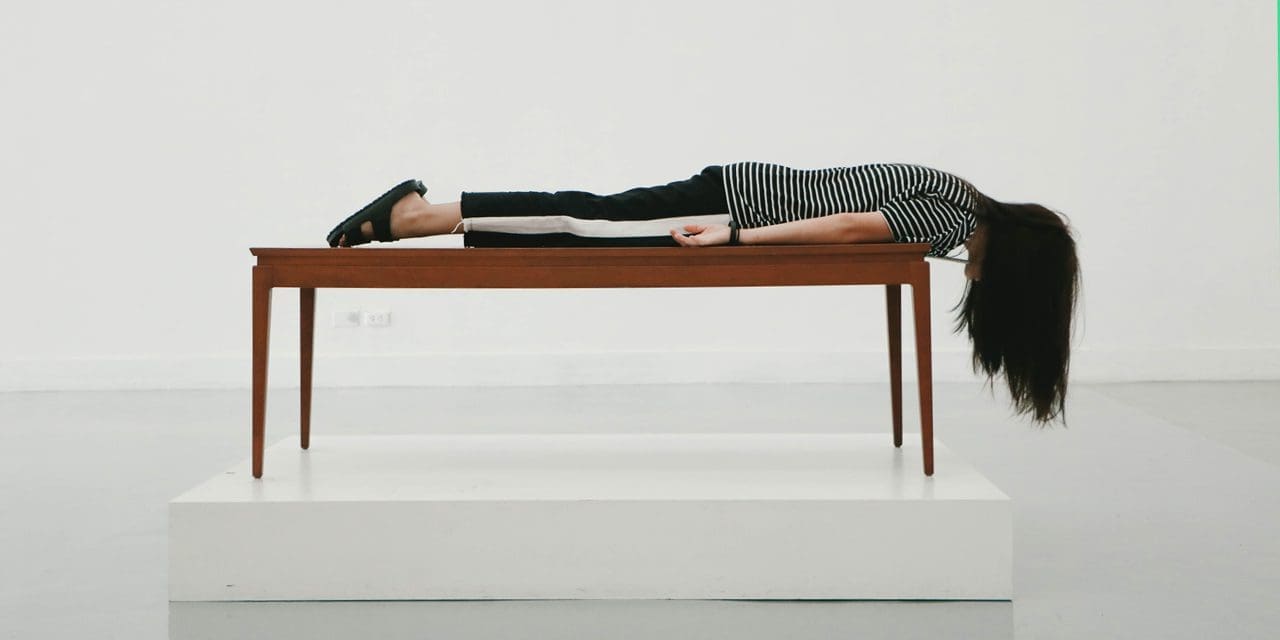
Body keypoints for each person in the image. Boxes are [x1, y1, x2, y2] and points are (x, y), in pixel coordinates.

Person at [325, 161, 1081, 427]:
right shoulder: (953, 215)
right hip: (736, 209)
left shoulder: (960, 201)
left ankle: (422, 214)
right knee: (582, 220)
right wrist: (736, 238)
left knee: (586, 217)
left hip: (740, 195)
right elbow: (854, 226)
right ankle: (415, 216)